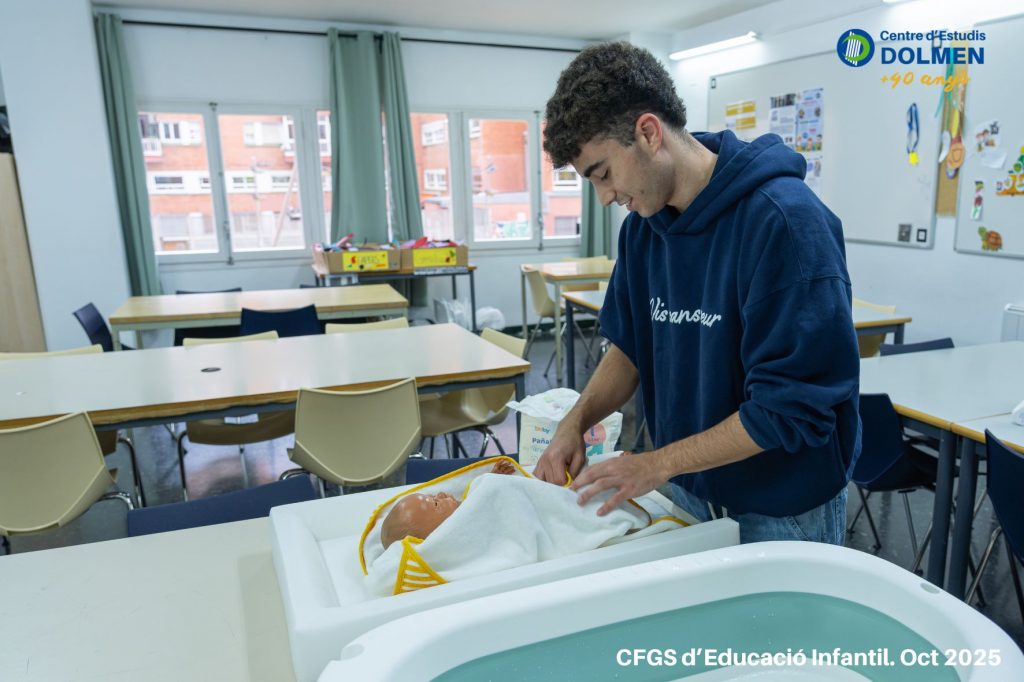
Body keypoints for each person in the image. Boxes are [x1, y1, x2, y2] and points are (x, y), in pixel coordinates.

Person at [535, 42, 860, 544]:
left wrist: (654, 464)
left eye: (603, 173)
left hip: (781, 508)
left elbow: (788, 410)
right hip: (687, 488)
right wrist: (574, 422)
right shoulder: (644, 228)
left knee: (778, 626)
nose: (604, 197)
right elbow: (630, 349)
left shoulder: (784, 223)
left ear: (647, 133)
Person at [380, 458, 517, 549]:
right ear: (437, 532)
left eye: (432, 496)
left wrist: (491, 478)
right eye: (435, 503)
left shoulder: (464, 508)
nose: (440, 494)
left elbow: (478, 497)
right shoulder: (460, 537)